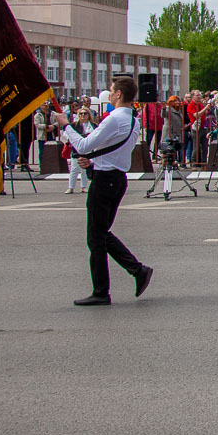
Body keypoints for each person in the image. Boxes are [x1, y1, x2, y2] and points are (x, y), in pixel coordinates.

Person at [56, 76, 153, 306]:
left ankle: (104, 289)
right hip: (116, 178)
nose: (109, 94)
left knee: (96, 237)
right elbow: (112, 150)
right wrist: (92, 162)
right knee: (100, 233)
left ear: (119, 94)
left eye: (111, 90)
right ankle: (136, 270)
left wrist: (66, 125)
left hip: (106, 181)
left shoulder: (114, 119)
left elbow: (83, 145)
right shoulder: (132, 119)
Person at [62, 107, 96, 193]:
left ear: (88, 115)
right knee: (74, 169)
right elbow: (66, 134)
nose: (83, 115)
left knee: (84, 169)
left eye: (85, 113)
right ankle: (71, 187)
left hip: (88, 150)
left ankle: (83, 186)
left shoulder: (93, 125)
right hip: (76, 150)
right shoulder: (74, 125)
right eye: (81, 114)